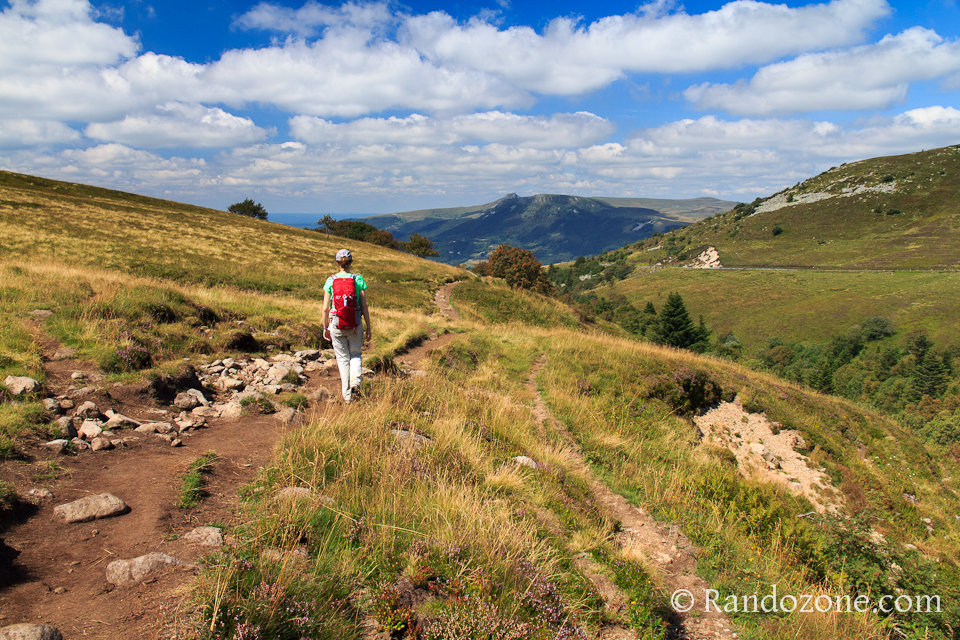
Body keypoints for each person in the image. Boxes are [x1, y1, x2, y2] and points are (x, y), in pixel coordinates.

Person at [322, 249, 372, 403]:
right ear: (351, 262)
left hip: (336, 324)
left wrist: (325, 328)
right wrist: (368, 326)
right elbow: (364, 306)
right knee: (355, 354)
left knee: (343, 359)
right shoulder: (357, 279)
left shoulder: (331, 280)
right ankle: (356, 382)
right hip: (355, 324)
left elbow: (325, 308)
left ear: (337, 263)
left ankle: (347, 397)